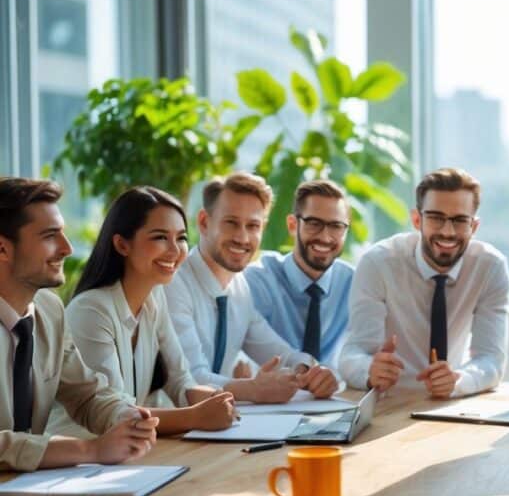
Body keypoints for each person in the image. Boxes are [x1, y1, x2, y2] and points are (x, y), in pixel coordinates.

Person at [47, 187, 236, 438]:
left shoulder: (153, 296)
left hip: (129, 453)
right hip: (79, 457)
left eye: (180, 237)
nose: (175, 250)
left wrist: (216, 399)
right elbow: (115, 414)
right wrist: (196, 416)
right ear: (122, 244)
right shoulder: (91, 310)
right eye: (160, 237)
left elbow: (180, 381)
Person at [0, 177, 158, 471]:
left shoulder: (49, 311)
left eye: (63, 233)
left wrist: (126, 416)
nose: (67, 248)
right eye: (50, 236)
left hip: (28, 493)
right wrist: (89, 449)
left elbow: (87, 393)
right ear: (2, 249)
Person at [165, 172, 337, 402]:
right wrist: (253, 389)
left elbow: (282, 354)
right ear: (204, 222)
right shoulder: (174, 283)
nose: (242, 237)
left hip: (219, 427)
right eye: (231, 223)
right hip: (166, 428)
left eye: (253, 225)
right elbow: (191, 379)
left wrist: (310, 372)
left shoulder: (239, 287)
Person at [339, 168, 509, 398]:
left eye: (460, 220)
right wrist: (369, 370)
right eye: (436, 218)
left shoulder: (490, 266)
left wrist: (460, 380)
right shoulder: (378, 263)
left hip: (450, 403)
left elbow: (491, 360)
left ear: (474, 226)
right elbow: (353, 353)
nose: (447, 232)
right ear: (417, 220)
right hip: (388, 401)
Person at [245, 180, 354, 370]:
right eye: (314, 223)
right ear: (293, 224)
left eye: (336, 226)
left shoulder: (354, 283)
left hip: (335, 396)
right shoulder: (258, 280)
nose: (325, 237)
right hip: (268, 395)